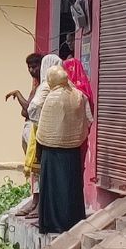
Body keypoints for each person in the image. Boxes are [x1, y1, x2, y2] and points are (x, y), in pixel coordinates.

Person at [35, 65, 91, 234]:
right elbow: (88, 119)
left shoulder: (52, 97)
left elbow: (42, 127)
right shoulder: (78, 95)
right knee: (71, 185)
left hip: (52, 151)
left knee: (53, 187)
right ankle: (73, 221)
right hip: (72, 149)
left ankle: (52, 223)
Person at [20, 53, 63, 219]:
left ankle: (40, 204)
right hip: (60, 136)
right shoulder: (63, 86)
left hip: (43, 133)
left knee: (41, 169)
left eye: (36, 66)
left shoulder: (46, 87)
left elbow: (31, 109)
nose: (32, 70)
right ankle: (40, 203)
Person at [6, 53, 45, 151]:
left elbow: (29, 110)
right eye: (29, 68)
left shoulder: (42, 86)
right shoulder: (36, 84)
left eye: (34, 67)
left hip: (33, 126)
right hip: (28, 125)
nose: (31, 70)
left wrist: (18, 93)